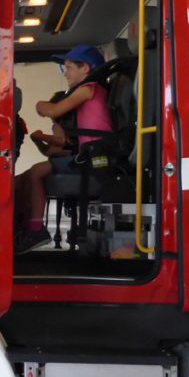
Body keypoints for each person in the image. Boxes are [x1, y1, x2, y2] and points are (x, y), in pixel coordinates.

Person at [14, 45, 113, 253]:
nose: (65, 73)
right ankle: (20, 225)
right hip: (87, 154)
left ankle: (35, 230)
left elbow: (54, 110)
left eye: (68, 68)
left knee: (36, 172)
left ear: (85, 68)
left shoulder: (89, 88)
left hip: (95, 157)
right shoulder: (90, 90)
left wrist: (40, 105)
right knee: (23, 177)